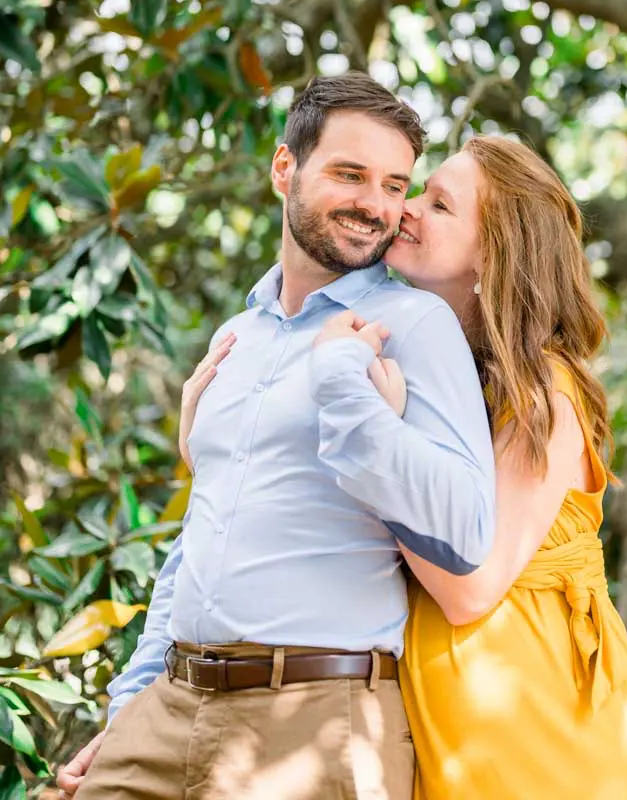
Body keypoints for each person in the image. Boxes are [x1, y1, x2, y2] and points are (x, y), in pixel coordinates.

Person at [179, 135, 627, 798]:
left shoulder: (545, 394)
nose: (405, 208)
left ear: (496, 252)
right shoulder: (426, 367)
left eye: (439, 204)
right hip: (429, 708)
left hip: (533, 714)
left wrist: (380, 435)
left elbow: (470, 589)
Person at [56, 73, 496, 800]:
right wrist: (130, 706)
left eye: (396, 184)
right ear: (284, 167)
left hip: (317, 720)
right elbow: (205, 528)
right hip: (168, 707)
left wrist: (347, 392)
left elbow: (465, 527)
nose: (376, 205)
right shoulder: (237, 335)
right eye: (350, 175)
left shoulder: (416, 327)